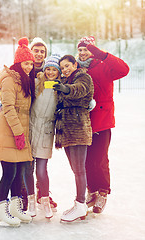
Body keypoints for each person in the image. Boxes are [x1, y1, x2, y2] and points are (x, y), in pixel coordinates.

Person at [0, 37, 57, 211]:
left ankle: (41, 193)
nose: (38, 55)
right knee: (22, 167)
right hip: (20, 123)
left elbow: (56, 87)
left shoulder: (49, 71)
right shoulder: (18, 70)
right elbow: (8, 89)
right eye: (35, 51)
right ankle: (22, 197)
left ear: (45, 54)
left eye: (42, 51)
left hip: (38, 124)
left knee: (36, 165)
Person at [76, 36, 130, 213]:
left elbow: (124, 69)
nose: (83, 53)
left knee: (99, 159)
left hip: (102, 120)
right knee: (86, 160)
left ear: (93, 50)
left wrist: (101, 54)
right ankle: (91, 190)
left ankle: (102, 192)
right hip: (83, 121)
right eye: (81, 50)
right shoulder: (76, 68)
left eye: (87, 50)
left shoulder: (104, 65)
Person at [0, 37, 35, 226]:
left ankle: (16, 208)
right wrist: (18, 134)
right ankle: (1, 209)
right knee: (8, 173)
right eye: (26, 63)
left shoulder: (24, 80)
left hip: (19, 132)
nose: (29, 67)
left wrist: (21, 134)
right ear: (18, 63)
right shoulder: (10, 80)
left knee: (19, 173)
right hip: (9, 132)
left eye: (31, 64)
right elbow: (8, 108)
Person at [53, 55, 94, 222]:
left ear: (75, 64)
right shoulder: (66, 79)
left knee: (79, 170)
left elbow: (80, 89)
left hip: (78, 128)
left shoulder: (83, 76)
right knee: (75, 169)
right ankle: (80, 204)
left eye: (67, 66)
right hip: (67, 131)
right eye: (62, 67)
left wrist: (65, 89)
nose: (65, 69)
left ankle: (80, 203)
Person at [29, 54, 61, 218]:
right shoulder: (36, 83)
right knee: (28, 169)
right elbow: (22, 95)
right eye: (47, 69)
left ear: (58, 71)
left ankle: (45, 201)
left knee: (41, 170)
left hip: (47, 131)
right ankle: (31, 202)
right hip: (32, 128)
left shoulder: (60, 88)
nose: (50, 72)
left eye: (54, 69)